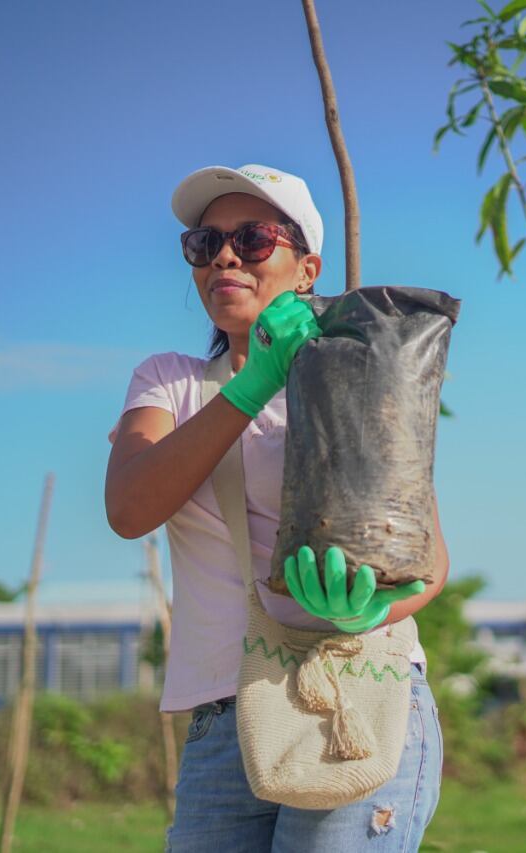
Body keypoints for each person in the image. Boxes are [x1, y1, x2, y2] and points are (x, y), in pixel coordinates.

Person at [105, 164, 447, 852]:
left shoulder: (361, 379)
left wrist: (371, 608)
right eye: (205, 243)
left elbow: (430, 559)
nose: (225, 255)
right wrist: (255, 380)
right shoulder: (168, 383)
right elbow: (129, 507)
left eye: (254, 239)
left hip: (353, 691)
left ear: (306, 268)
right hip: (220, 718)